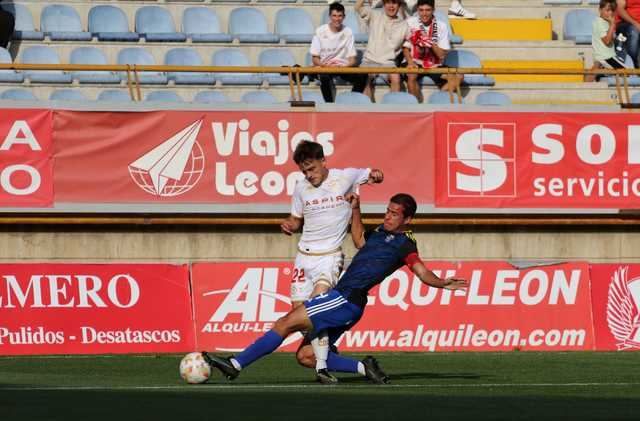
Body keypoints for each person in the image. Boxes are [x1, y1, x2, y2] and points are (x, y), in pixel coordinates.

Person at [204, 193, 469, 384]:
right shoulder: (380, 231)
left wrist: (442, 282)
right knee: (307, 356)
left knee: (286, 322)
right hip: (348, 303)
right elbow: (359, 240)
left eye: (394, 213)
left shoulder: (406, 244)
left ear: (408, 219)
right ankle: (364, 368)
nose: (388, 216)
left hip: (344, 299)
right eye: (387, 210)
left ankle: (236, 364)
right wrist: (356, 209)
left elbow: (421, 271)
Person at [280, 140, 384, 383]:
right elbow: (296, 220)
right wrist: (289, 225)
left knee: (316, 311)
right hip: (303, 257)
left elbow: (373, 174)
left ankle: (322, 367)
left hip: (329, 257)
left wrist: (377, 175)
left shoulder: (345, 177)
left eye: (312, 169)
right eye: (304, 171)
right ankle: (329, 356)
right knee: (300, 317)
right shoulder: (300, 188)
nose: (309, 175)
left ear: (323, 161)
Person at [402, 0, 463, 102]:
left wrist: (430, 43)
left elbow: (442, 55)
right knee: (411, 74)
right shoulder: (410, 22)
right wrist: (410, 62)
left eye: (428, 10)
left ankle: (437, 100)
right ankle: (416, 106)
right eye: (421, 10)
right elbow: (405, 48)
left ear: (433, 10)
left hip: (434, 64)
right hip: (414, 61)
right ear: (417, 10)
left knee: (459, 76)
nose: (424, 14)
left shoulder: (441, 25)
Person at [311, 2, 367, 102]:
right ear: (330, 16)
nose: (337, 19)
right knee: (324, 77)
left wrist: (344, 67)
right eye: (334, 16)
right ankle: (329, 105)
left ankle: (352, 101)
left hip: (342, 67)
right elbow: (315, 58)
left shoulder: (348, 31)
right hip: (326, 66)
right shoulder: (320, 31)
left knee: (362, 75)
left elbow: (352, 59)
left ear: (344, 17)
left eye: (340, 16)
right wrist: (325, 66)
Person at [355, 0, 409, 101]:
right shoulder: (375, 15)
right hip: (369, 61)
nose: (391, 6)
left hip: (388, 63)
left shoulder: (405, 25)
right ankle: (368, 112)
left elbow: (409, 45)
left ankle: (392, 110)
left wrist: (411, 62)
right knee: (364, 78)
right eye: (388, 2)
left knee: (396, 77)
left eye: (394, 3)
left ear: (399, 5)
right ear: (384, 4)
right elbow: (357, 7)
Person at [587, 0, 627, 82]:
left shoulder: (604, 22)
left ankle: (602, 71)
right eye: (607, 10)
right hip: (606, 57)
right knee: (627, 73)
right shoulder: (600, 23)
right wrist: (612, 24)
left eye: (612, 10)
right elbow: (607, 41)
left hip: (605, 56)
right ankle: (602, 71)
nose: (610, 13)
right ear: (600, 9)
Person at [616, 0, 640, 67]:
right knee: (634, 31)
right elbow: (619, 9)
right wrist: (635, 23)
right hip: (627, 23)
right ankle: (635, 64)